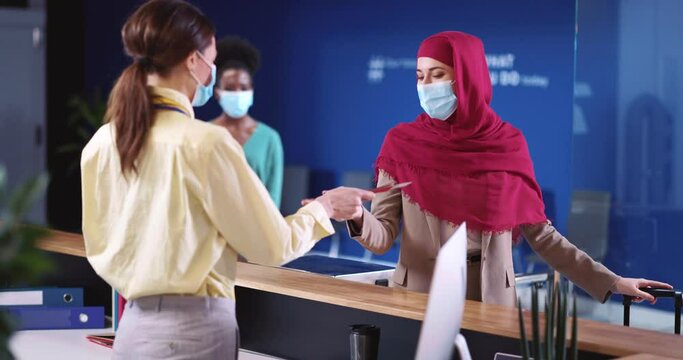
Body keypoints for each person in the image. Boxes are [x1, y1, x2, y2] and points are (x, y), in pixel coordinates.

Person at [80, 1, 373, 358]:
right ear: (192, 61)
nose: (212, 73)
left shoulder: (104, 140)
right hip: (191, 332)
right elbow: (271, 247)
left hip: (132, 329)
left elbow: (100, 244)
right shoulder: (205, 144)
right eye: (211, 61)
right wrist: (324, 210)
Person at [346, 31, 670, 307]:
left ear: (467, 76)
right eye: (420, 76)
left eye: (438, 74)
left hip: (490, 297)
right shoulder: (402, 144)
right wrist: (359, 216)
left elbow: (542, 236)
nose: (426, 86)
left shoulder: (507, 145)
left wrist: (611, 282)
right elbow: (383, 236)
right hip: (420, 296)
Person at [211, 36, 284, 208]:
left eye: (243, 88)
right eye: (229, 88)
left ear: (251, 91)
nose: (237, 93)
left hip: (256, 228)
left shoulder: (269, 138)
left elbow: (273, 197)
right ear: (217, 93)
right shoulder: (203, 132)